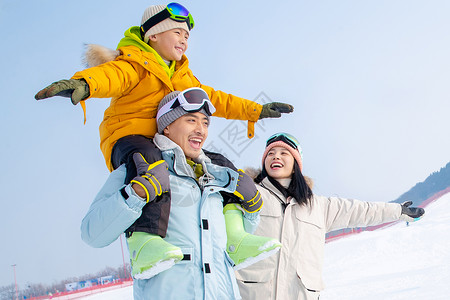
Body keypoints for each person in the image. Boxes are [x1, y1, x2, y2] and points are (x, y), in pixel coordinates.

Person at [35, 3, 290, 279]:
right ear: (153, 35)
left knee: (223, 166)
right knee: (153, 171)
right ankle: (144, 243)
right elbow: (108, 76)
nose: (184, 39)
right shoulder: (134, 64)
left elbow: (216, 100)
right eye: (178, 32)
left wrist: (255, 110)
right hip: (130, 138)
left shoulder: (183, 76)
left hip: (168, 142)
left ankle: (235, 237)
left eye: (187, 35)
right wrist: (84, 84)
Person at [81, 89, 282, 299]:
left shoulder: (217, 174)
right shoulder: (140, 168)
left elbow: (229, 244)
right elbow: (91, 233)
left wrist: (251, 208)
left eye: (205, 123)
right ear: (167, 126)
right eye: (191, 120)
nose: (200, 130)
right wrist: (135, 193)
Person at [235, 132, 425, 300]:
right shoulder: (249, 194)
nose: (276, 156)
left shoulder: (317, 206)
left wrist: (397, 211)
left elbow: (359, 210)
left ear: (295, 163)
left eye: (284, 153)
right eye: (270, 153)